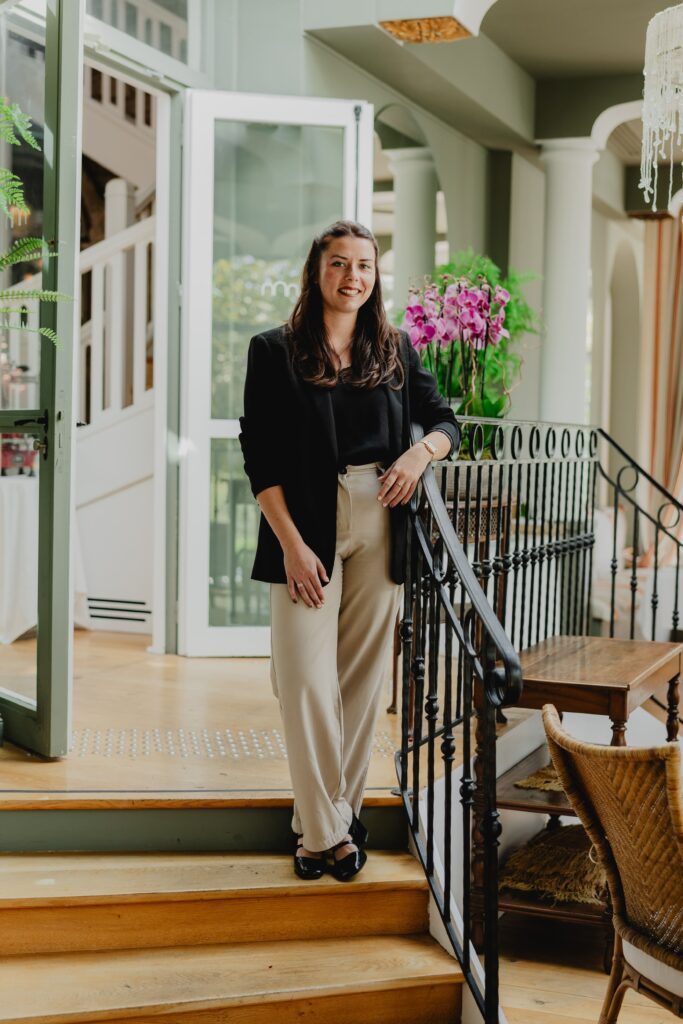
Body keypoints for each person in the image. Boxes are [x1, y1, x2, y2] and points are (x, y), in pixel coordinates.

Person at [239, 220, 457, 881]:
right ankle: (328, 829)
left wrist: (421, 453)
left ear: (374, 277)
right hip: (302, 523)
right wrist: (291, 547)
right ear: (316, 272)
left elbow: (445, 421)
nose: (352, 276)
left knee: (359, 685)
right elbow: (260, 457)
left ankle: (322, 830)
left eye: (363, 265)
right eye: (339, 263)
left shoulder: (393, 348)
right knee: (304, 680)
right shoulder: (273, 350)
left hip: (381, 518)